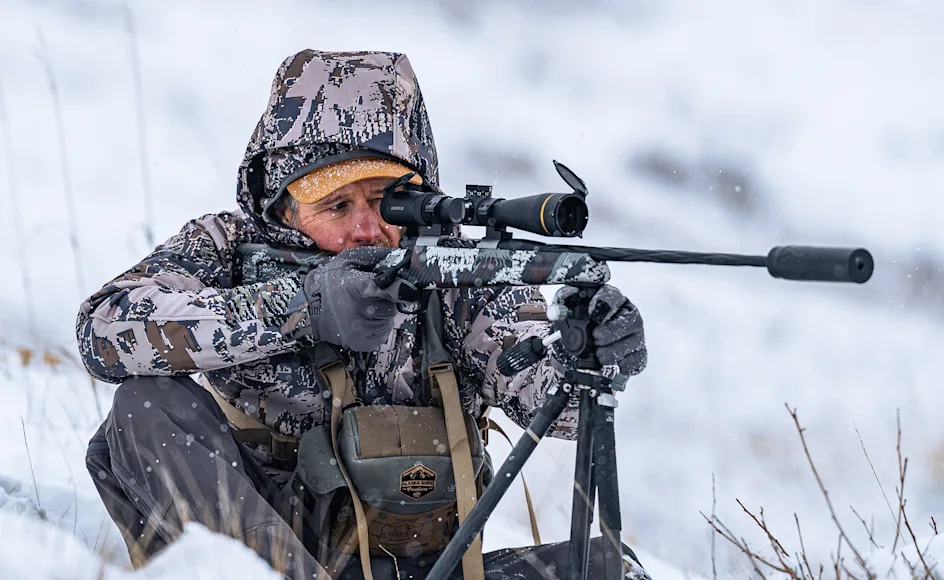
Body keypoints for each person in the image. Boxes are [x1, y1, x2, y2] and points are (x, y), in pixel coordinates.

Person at [78, 49, 650, 580]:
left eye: (387, 202)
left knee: (606, 567)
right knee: (144, 407)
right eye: (337, 204)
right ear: (282, 206)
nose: (366, 230)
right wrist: (301, 308)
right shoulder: (226, 246)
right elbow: (103, 331)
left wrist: (591, 352)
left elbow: (561, 407)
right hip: (271, 561)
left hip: (436, 566)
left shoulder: (446, 273)